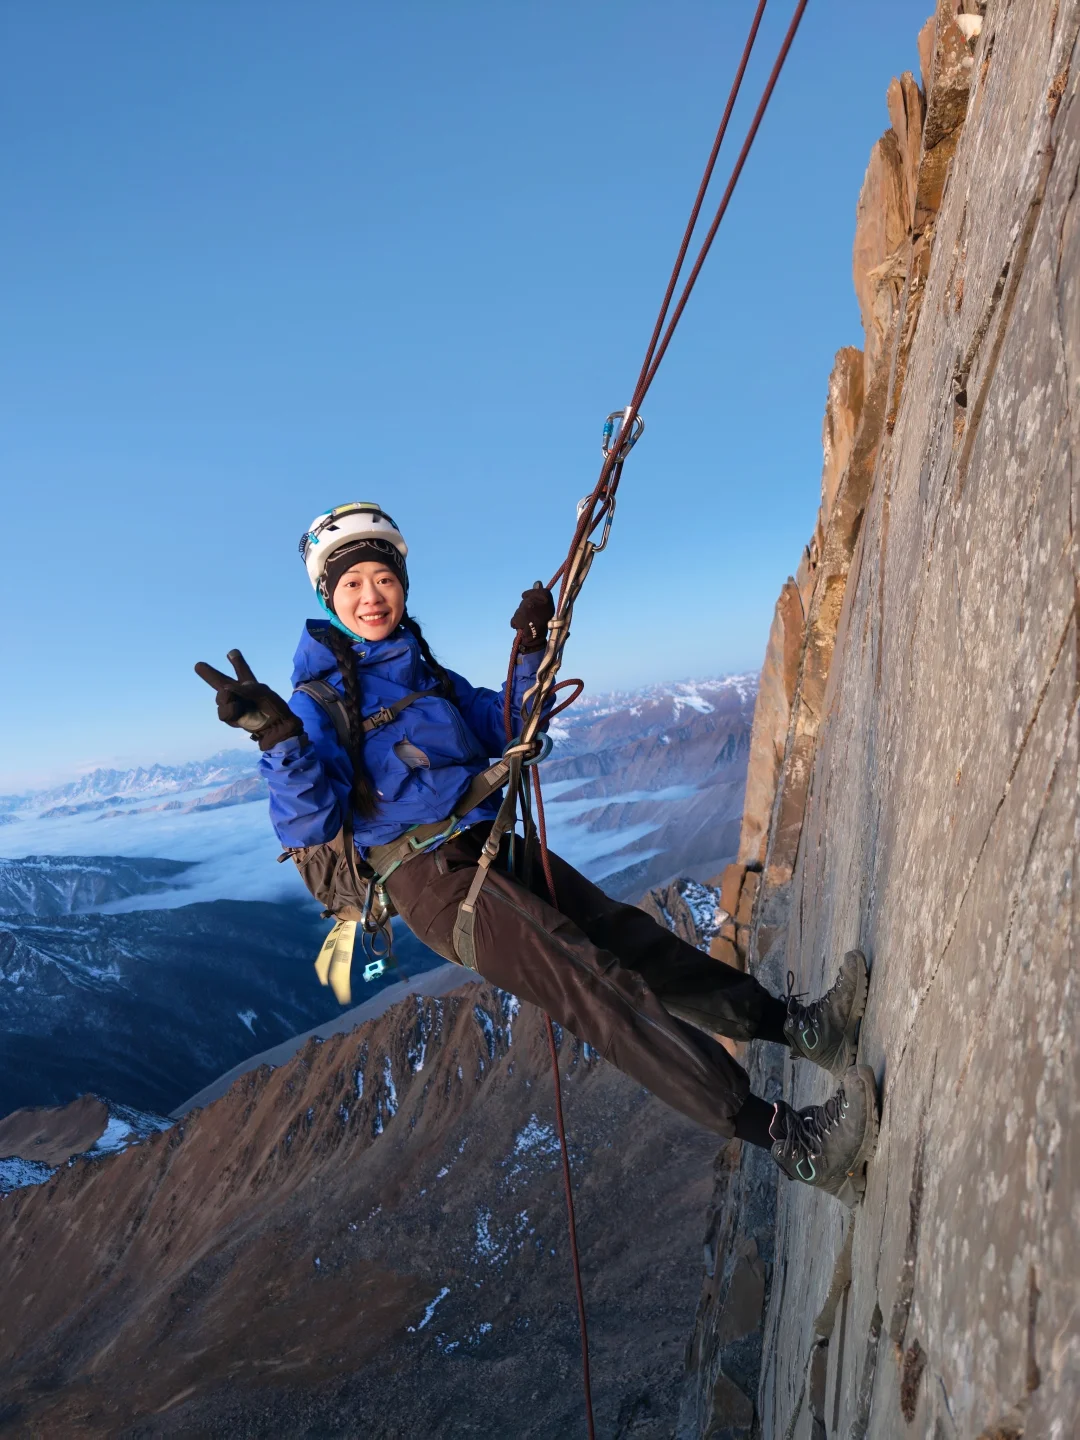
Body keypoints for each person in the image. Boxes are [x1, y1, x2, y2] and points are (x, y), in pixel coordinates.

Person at [196, 501, 879, 1205]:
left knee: (631, 942)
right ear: (327, 598)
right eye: (352, 585)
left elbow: (506, 724)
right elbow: (309, 823)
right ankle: (797, 1143)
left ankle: (800, 1030)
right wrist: (277, 738)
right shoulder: (316, 700)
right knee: (597, 988)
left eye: (383, 578)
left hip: (486, 847)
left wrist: (527, 651)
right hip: (434, 882)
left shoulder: (416, 666)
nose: (372, 597)